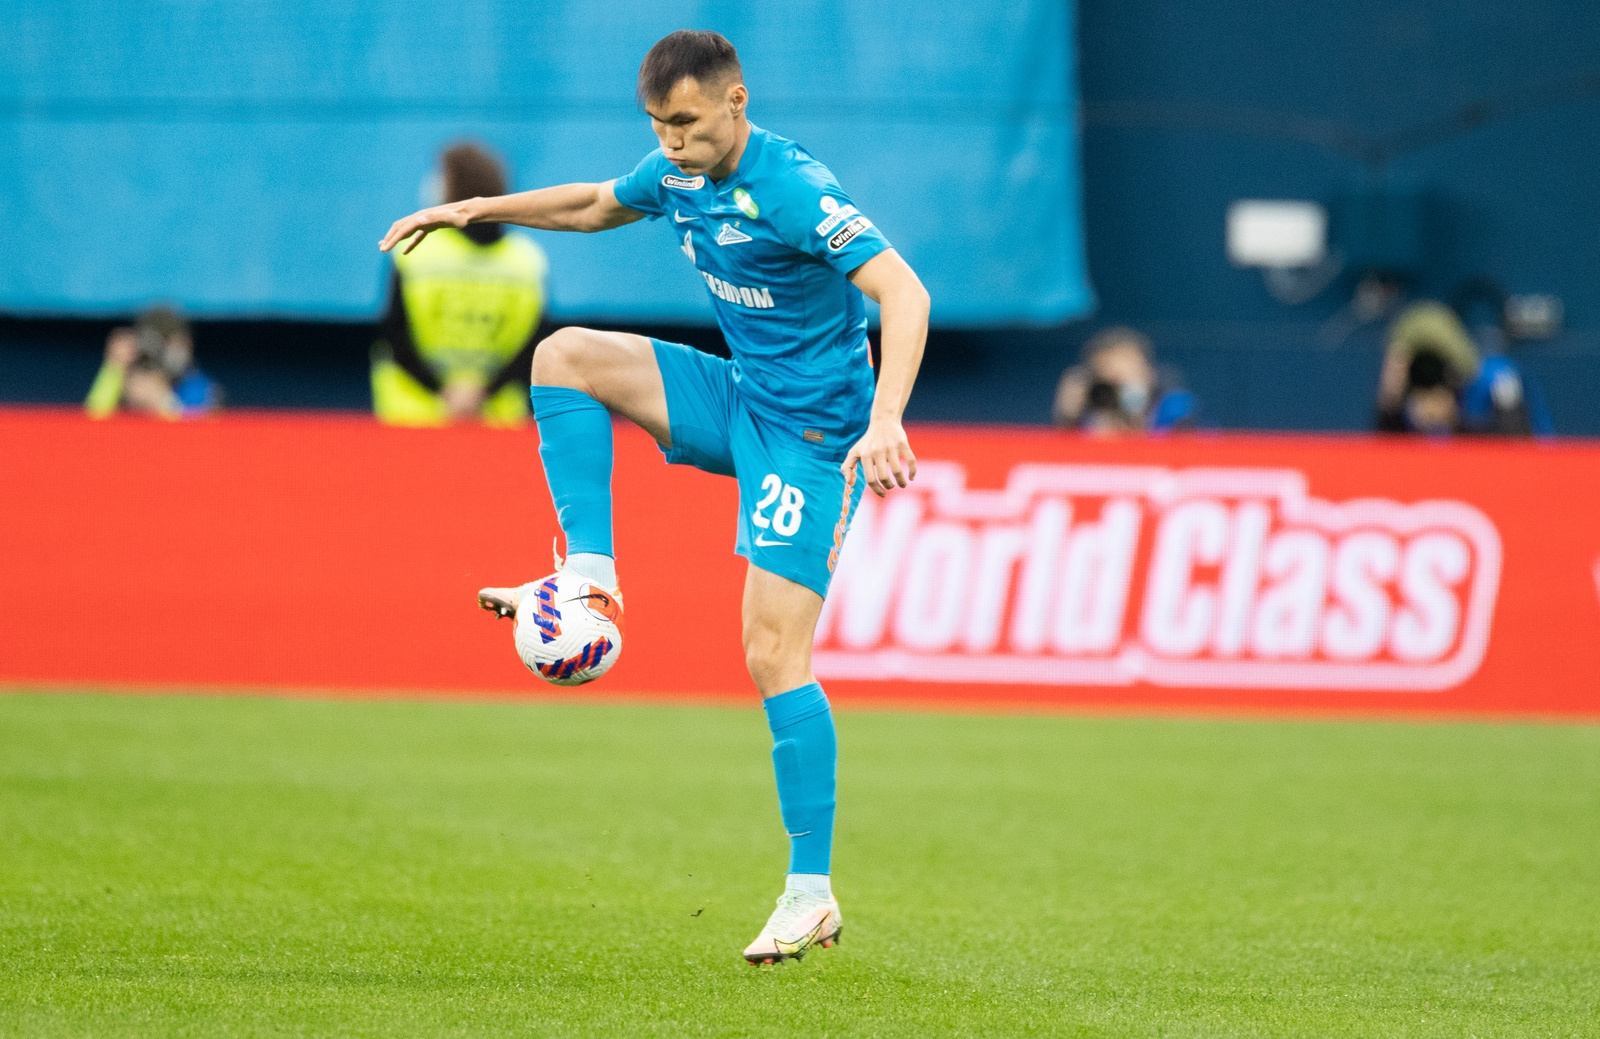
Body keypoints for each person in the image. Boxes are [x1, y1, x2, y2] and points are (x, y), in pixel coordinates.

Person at [379, 31, 928, 964]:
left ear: (735, 103)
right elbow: (596, 203)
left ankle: (810, 893)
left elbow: (904, 293)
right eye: (657, 125)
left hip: (814, 441)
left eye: (685, 122)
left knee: (770, 651)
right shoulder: (677, 171)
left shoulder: (791, 188)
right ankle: (589, 577)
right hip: (742, 397)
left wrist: (885, 420)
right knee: (564, 357)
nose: (671, 142)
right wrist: (478, 208)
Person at [371, 143, 548, 427]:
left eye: (442, 174)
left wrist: (445, 393)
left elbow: (394, 334)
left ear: (455, 185)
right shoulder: (527, 260)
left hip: (415, 415)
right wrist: (482, 393)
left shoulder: (414, 250)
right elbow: (535, 346)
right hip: (495, 420)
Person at [1375, 301, 1552, 436]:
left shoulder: (1496, 376)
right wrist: (1390, 404)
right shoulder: (1407, 394)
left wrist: (1455, 422)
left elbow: (1516, 441)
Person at [1052, 326, 1196, 434]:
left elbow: (1186, 449)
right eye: (1108, 382)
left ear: (1148, 372)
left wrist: (1135, 413)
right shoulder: (1089, 413)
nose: (1115, 391)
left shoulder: (1173, 407)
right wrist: (1068, 419)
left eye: (1123, 376)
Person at [85, 306, 221, 419]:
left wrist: (161, 400)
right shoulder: (126, 378)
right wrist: (114, 368)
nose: (163, 352)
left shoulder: (198, 387)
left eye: (171, 342)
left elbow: (199, 434)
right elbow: (93, 421)